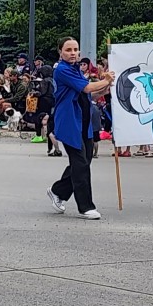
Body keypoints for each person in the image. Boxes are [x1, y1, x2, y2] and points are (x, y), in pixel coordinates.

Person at [45, 37, 115, 220]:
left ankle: (57, 191)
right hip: (70, 123)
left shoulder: (75, 69)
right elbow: (86, 88)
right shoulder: (61, 69)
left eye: (75, 49)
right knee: (81, 164)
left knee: (84, 161)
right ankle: (86, 207)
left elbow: (90, 93)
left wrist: (105, 87)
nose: (73, 53)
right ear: (60, 52)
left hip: (83, 122)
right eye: (68, 50)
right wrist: (106, 79)